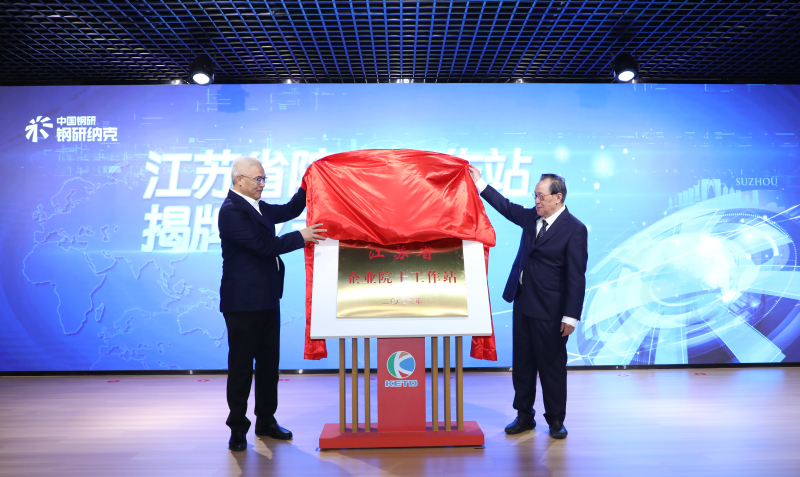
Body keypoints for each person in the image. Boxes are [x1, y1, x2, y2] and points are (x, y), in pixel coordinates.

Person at [469, 165, 587, 439]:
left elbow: (576, 276)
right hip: (523, 303)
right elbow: (506, 207)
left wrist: (570, 316)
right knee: (522, 364)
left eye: (541, 196)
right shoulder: (532, 217)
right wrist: (480, 184)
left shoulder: (574, 229)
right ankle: (524, 415)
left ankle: (555, 420)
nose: (536, 201)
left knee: (551, 367)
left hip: (551, 310)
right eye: (535, 195)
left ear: (558, 197)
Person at [218, 156, 326, 452]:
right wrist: (301, 236)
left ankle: (266, 420)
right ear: (239, 180)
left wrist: (308, 183)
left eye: (264, 179)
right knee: (241, 367)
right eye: (258, 179)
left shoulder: (259, 207)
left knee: (269, 366)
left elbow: (290, 209)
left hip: (267, 299)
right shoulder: (230, 211)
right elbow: (264, 247)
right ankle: (237, 428)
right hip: (242, 304)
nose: (262, 184)